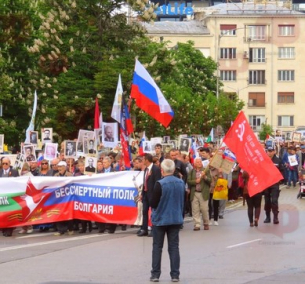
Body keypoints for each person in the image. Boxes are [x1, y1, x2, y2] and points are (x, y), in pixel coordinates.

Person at [149, 159, 185, 283]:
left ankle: (155, 274)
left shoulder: (160, 183)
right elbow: (183, 201)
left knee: (157, 247)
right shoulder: (180, 183)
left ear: (162, 170)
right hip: (175, 218)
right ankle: (175, 274)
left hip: (160, 219)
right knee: (174, 247)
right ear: (174, 170)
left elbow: (154, 202)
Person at [137, 153, 161, 237]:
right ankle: (144, 229)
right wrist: (142, 193)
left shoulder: (155, 169)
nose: (142, 161)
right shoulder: (146, 169)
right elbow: (145, 182)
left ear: (147, 160)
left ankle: (154, 229)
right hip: (146, 193)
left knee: (154, 212)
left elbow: (157, 182)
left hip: (153, 194)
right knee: (144, 211)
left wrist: (155, 194)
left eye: (143, 159)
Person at [187, 158, 211, 231]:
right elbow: (188, 181)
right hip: (195, 193)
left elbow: (210, 181)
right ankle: (197, 224)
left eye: (200, 162)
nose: (199, 163)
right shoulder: (192, 171)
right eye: (197, 162)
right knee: (195, 209)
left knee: (204, 209)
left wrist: (205, 177)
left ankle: (206, 223)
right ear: (194, 164)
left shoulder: (206, 171)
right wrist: (195, 181)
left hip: (203, 193)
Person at [95, 156, 117, 234]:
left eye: (105, 162)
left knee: (111, 211)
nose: (103, 164)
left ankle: (111, 228)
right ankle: (101, 227)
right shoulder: (100, 172)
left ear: (109, 163)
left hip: (111, 194)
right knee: (101, 210)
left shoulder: (114, 172)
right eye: (103, 162)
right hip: (102, 194)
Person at [0, 157, 19, 237]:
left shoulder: (14, 172)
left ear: (9, 163)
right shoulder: (0, 172)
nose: (4, 165)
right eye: (3, 163)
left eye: (6, 163)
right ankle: (3, 228)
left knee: (9, 213)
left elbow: (18, 182)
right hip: (2, 196)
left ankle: (9, 230)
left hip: (10, 196)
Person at [54, 161, 74, 236]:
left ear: (65, 167)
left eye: (61, 167)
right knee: (59, 213)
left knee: (68, 213)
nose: (59, 168)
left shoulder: (69, 175)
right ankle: (60, 230)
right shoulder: (56, 176)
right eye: (58, 167)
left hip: (67, 197)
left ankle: (70, 229)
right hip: (59, 197)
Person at [264, 146, 282, 224]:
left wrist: (280, 180)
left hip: (275, 184)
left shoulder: (278, 160)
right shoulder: (263, 161)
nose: (270, 152)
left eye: (271, 151)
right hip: (266, 184)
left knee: (274, 201)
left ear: (274, 151)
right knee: (267, 201)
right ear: (266, 151)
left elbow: (282, 171)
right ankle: (268, 217)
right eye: (269, 151)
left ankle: (275, 217)